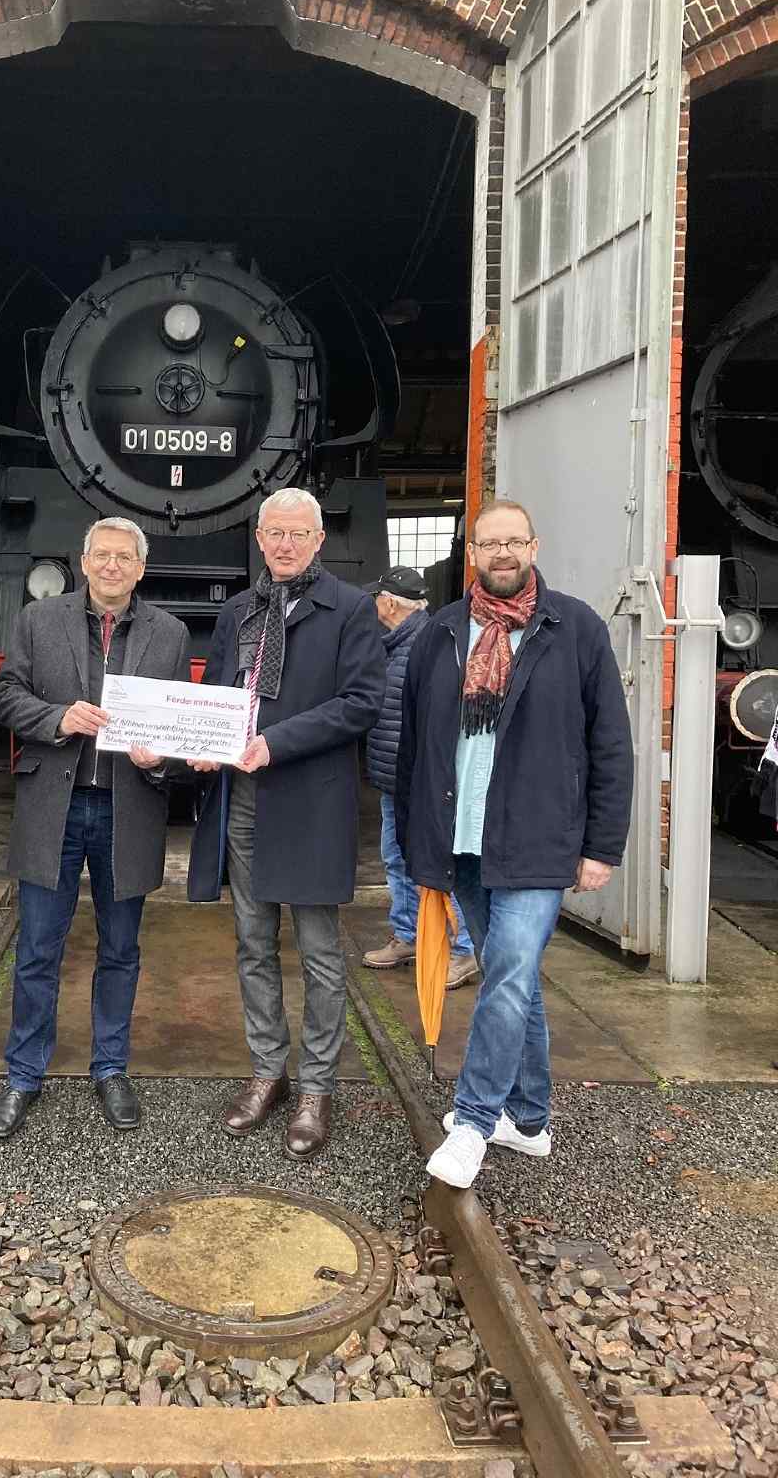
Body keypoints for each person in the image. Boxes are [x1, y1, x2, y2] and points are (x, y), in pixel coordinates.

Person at [395, 498, 633, 1188]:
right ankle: (527, 1120)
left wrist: (601, 846)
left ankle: (473, 1121)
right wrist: (416, 842)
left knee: (504, 974)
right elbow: (414, 747)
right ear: (472, 553)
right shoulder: (441, 633)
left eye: (514, 542)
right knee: (514, 977)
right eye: (489, 543)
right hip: (461, 839)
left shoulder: (575, 629)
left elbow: (609, 745)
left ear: (534, 546)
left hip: (537, 840)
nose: (502, 553)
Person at [187, 488, 385, 1161]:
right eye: (275, 532)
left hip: (311, 801)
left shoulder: (350, 609)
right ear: (260, 539)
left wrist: (277, 742)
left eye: (299, 533)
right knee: (252, 944)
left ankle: (317, 1088)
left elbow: (362, 702)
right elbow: (220, 694)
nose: (286, 544)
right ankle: (268, 1072)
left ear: (319, 540)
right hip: (245, 798)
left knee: (321, 953)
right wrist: (204, 741)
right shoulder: (238, 611)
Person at [0, 517, 191, 1139]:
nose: (111, 565)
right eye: (101, 554)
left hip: (129, 808)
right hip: (55, 804)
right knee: (36, 949)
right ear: (83, 560)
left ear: (140, 568)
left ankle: (111, 1068)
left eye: (124, 557)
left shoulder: (170, 633)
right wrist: (57, 718)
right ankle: (23, 1075)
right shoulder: (38, 620)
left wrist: (161, 757)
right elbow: (7, 696)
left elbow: (181, 721)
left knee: (121, 949)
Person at [362, 565, 477, 989]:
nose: (374, 604)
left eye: (377, 597)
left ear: (390, 603)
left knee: (440, 862)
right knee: (397, 859)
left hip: (422, 781)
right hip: (395, 779)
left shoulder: (430, 646)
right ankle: (408, 934)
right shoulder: (393, 644)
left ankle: (465, 949)